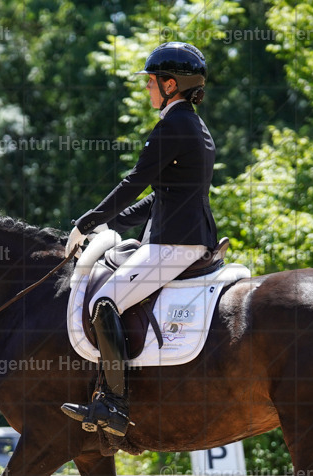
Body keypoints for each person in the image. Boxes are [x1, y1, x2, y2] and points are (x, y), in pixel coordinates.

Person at [61, 41, 218, 438]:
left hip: (174, 245)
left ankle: (114, 403)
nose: (146, 88)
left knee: (103, 301)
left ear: (169, 84)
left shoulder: (173, 125)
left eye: (150, 82)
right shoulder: (194, 126)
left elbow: (135, 182)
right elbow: (159, 197)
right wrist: (104, 227)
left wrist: (86, 221)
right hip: (184, 236)